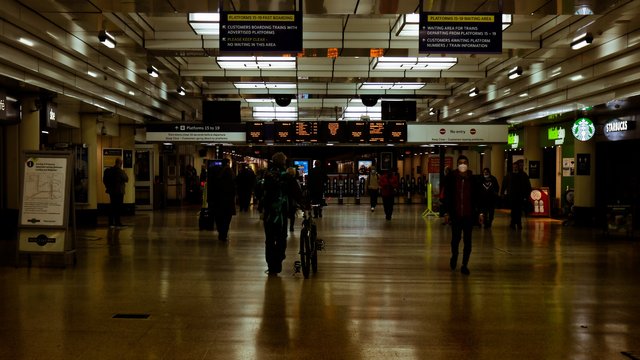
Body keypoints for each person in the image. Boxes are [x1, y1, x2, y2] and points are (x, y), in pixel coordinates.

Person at [260, 152, 303, 275]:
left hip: (268, 213)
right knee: (281, 238)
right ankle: (278, 261)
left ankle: (271, 265)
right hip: (281, 214)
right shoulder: (287, 176)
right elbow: (296, 192)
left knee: (269, 240)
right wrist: (304, 204)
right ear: (284, 162)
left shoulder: (266, 174)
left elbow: (259, 190)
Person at [442, 155, 482, 275]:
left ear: (468, 164)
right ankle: (454, 256)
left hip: (469, 215)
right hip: (456, 215)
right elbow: (447, 196)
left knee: (468, 241)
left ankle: (465, 264)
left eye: (465, 162)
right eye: (460, 162)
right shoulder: (451, 178)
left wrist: (480, 213)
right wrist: (447, 212)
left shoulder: (474, 179)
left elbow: (477, 197)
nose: (462, 164)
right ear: (457, 164)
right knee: (455, 239)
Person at [207, 158, 236, 241]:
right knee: (227, 218)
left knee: (218, 217)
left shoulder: (214, 172)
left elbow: (211, 187)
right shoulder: (230, 172)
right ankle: (224, 233)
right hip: (227, 200)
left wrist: (210, 199)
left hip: (217, 200)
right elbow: (233, 187)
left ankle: (221, 232)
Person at [501, 160, 532, 230]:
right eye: (514, 167)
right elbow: (504, 184)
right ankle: (514, 223)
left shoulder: (523, 175)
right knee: (513, 210)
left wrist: (526, 195)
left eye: (516, 166)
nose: (515, 168)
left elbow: (528, 186)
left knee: (518, 210)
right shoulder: (509, 175)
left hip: (520, 196)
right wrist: (502, 193)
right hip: (512, 196)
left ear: (518, 167)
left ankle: (518, 223)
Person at [103, 158, 129, 229]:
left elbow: (105, 180)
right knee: (118, 207)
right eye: (121, 163)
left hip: (112, 192)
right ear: (120, 163)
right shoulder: (120, 171)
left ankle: (111, 223)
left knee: (112, 206)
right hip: (119, 192)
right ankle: (118, 223)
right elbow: (126, 179)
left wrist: (108, 187)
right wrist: (124, 172)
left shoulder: (110, 171)